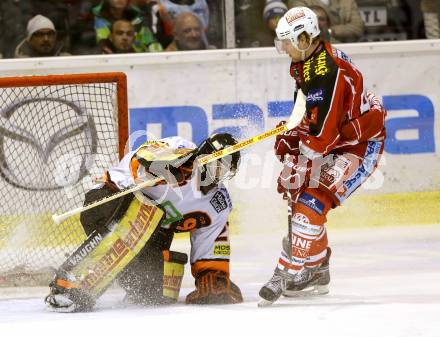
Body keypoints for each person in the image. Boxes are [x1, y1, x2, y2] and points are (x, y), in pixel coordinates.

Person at [258, 7, 386, 305]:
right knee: (298, 187)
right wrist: (290, 134)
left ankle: (286, 270)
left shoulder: (327, 71)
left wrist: (297, 156)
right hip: (340, 137)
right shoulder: (307, 61)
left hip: (359, 144)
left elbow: (321, 139)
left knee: (312, 196)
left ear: (304, 38)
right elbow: (308, 114)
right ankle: (316, 269)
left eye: (287, 41)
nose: (283, 48)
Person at [45, 133, 243, 312]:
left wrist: (212, 274)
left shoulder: (218, 204)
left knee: (151, 294)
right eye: (217, 165)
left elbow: (210, 239)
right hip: (109, 200)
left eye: (225, 169)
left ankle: (114, 277)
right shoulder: (180, 146)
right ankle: (70, 281)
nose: (218, 174)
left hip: (148, 232)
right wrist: (168, 164)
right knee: (143, 216)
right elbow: (141, 157)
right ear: (203, 156)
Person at [92, 0, 162, 53]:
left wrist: (158, 56)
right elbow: (101, 43)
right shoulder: (97, 18)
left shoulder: (138, 18)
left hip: (138, 60)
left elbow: (150, 41)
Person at [288, 0, 364, 42]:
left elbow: (358, 27)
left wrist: (330, 31)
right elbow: (302, 26)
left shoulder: (347, 2)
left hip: (346, 50)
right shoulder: (298, 1)